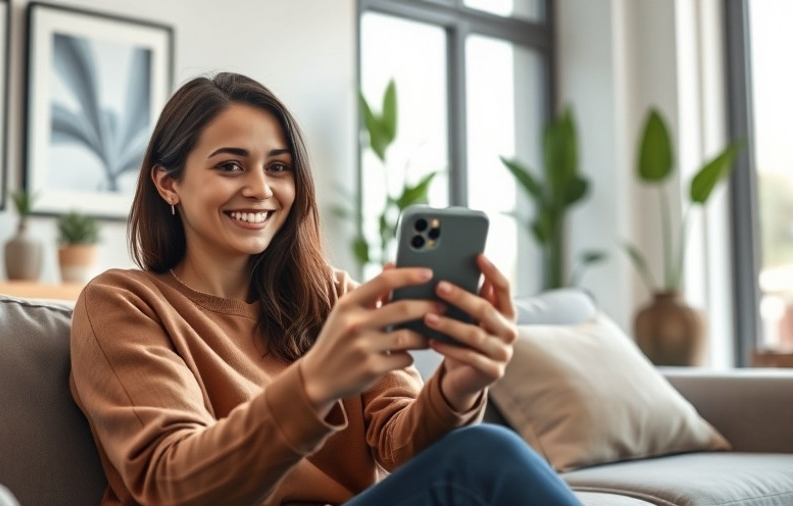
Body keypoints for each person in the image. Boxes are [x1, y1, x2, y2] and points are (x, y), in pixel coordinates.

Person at [69, 72, 581, 506]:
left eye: (278, 167)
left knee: (481, 451)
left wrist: (457, 388)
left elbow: (401, 447)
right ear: (168, 183)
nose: (261, 188)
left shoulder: (331, 296)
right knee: (487, 455)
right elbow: (171, 482)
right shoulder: (123, 304)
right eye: (230, 165)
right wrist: (315, 384)